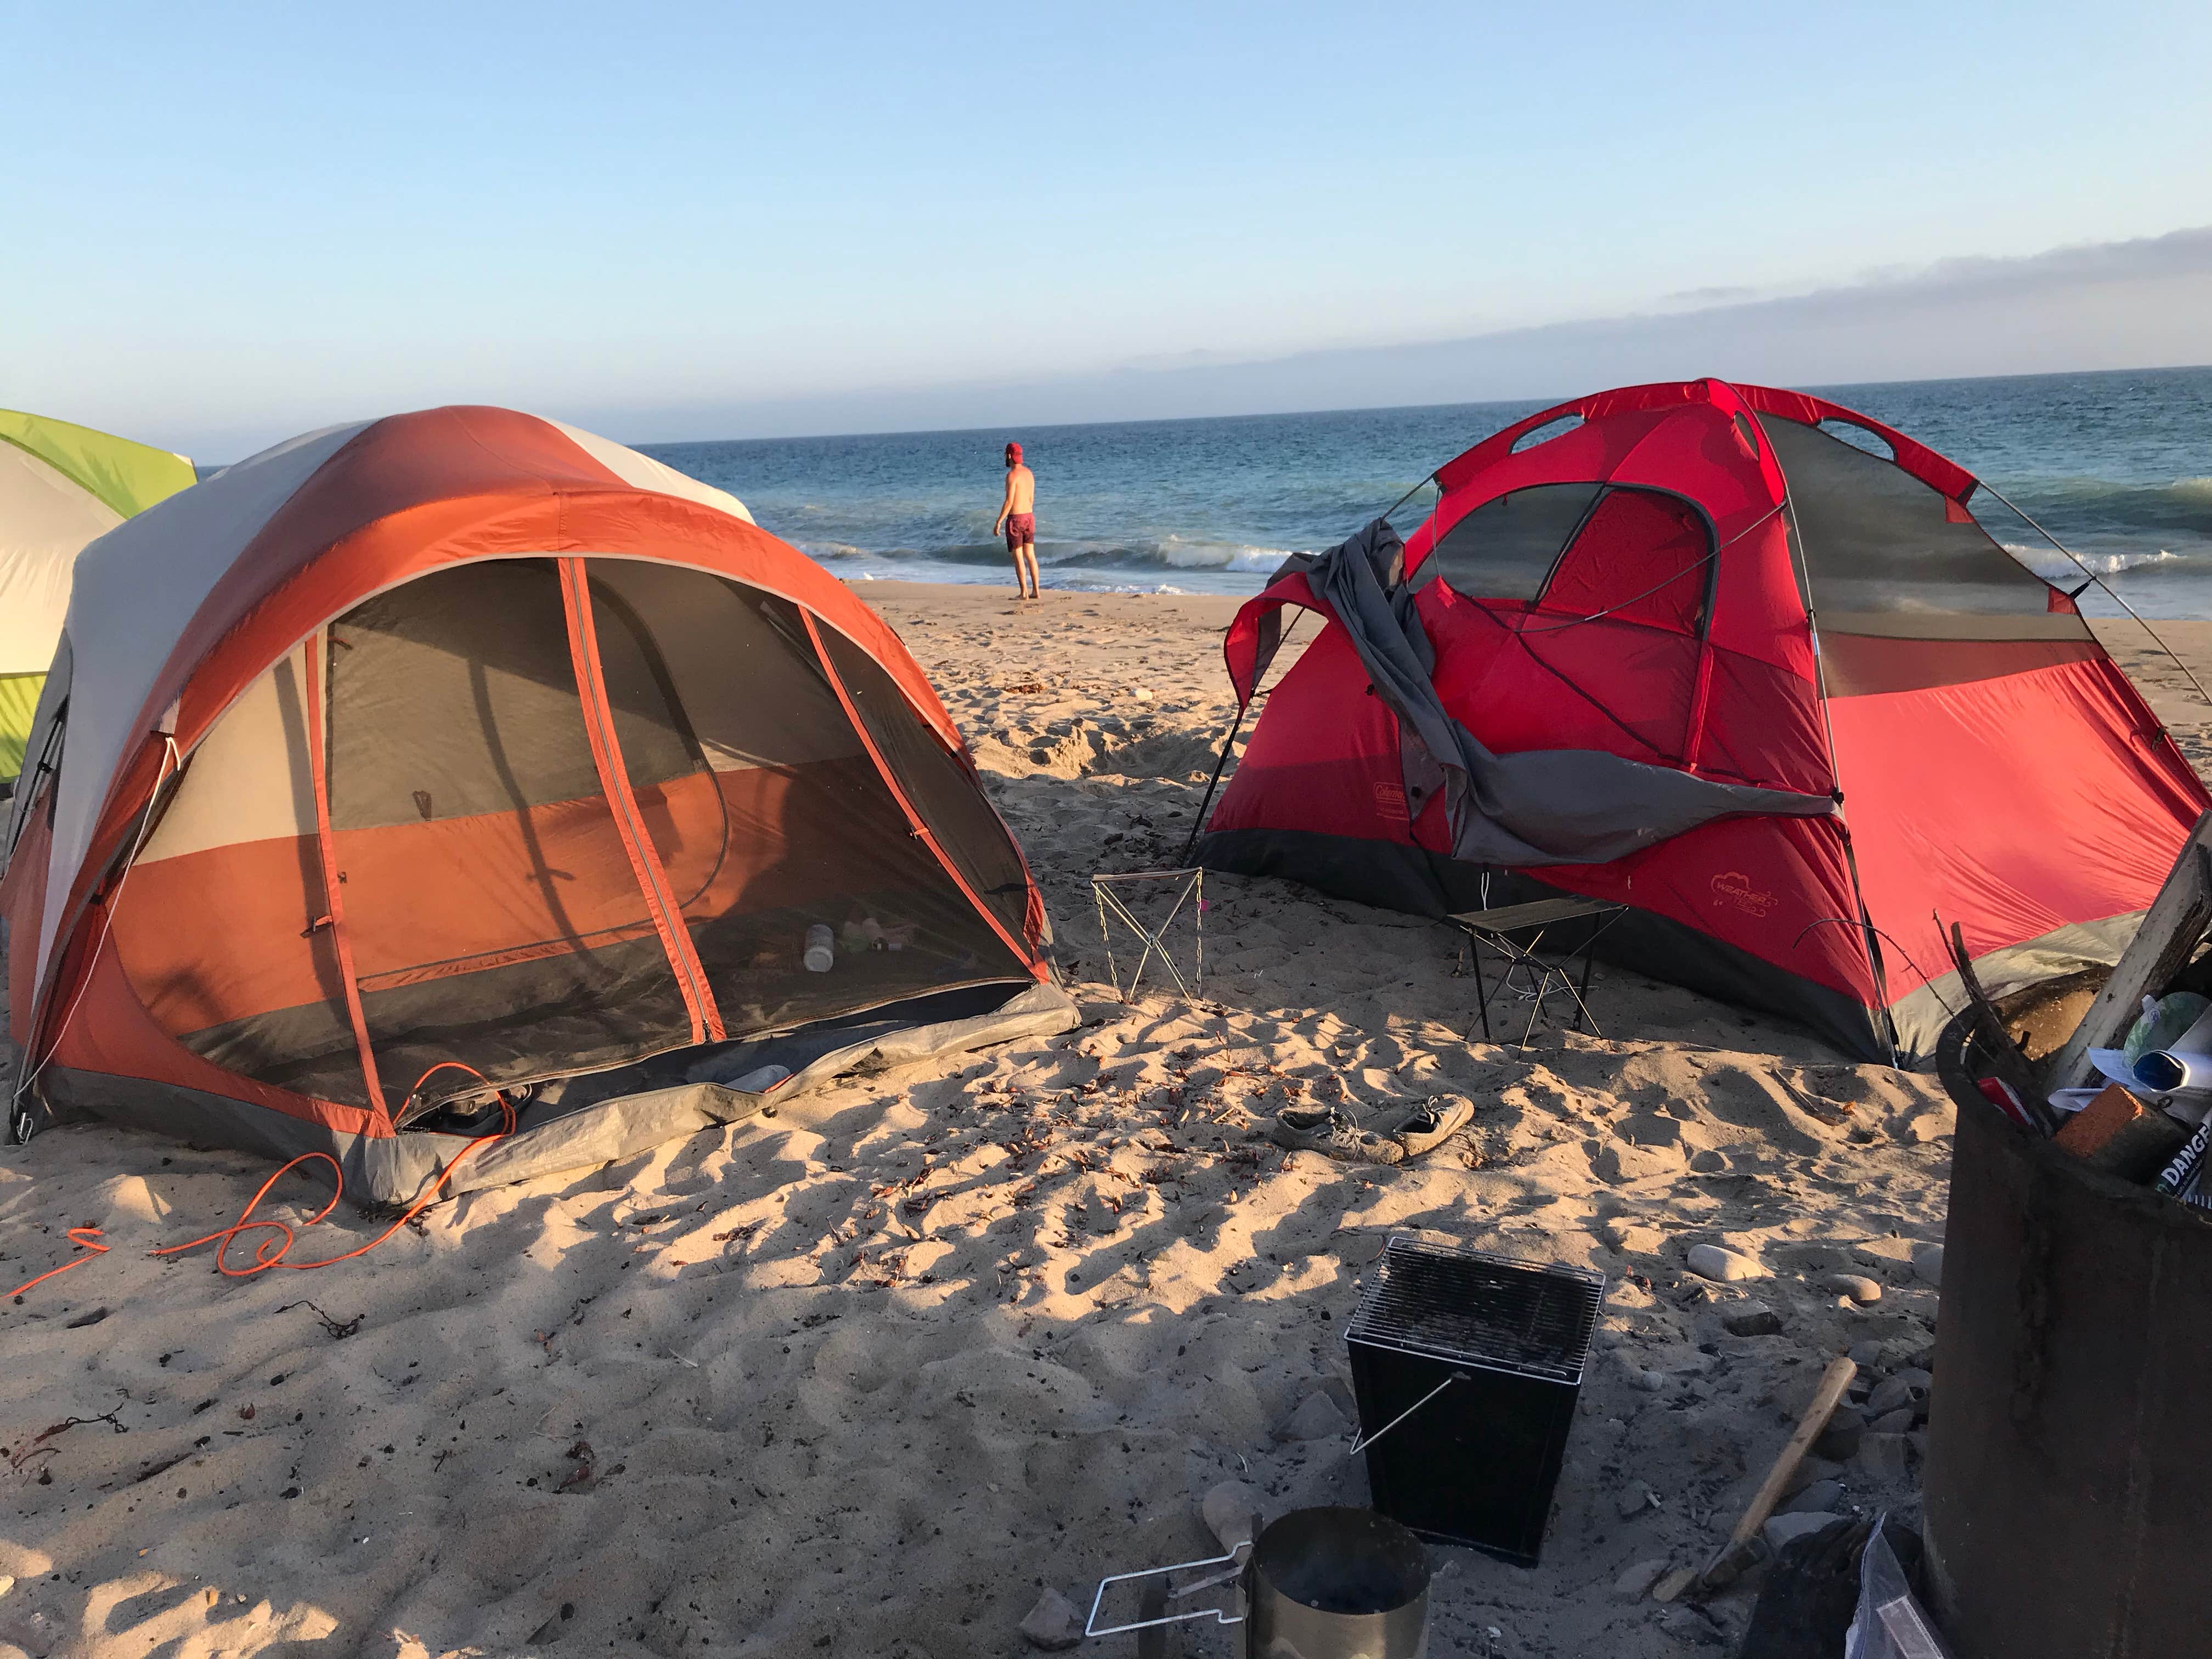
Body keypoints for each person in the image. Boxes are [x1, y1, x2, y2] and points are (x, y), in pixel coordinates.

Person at [992, 440, 1040, 600]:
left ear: (1010, 456)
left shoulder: (1012, 476)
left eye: (1006, 455)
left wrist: (999, 521)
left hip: (1016, 519)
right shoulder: (1029, 474)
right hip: (1029, 517)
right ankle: (1036, 591)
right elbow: (1031, 498)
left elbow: (1009, 502)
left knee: (1018, 557)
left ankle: (1024, 593)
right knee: (1031, 556)